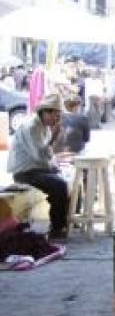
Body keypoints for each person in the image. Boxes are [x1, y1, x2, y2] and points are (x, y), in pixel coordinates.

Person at [7, 94, 69, 240]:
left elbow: (47, 158)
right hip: (25, 173)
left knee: (68, 177)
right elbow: (39, 156)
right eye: (56, 116)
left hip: (38, 169)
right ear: (46, 112)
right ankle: (58, 227)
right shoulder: (31, 127)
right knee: (59, 184)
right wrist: (53, 139)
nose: (57, 120)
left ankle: (66, 218)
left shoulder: (44, 127)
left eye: (59, 117)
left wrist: (56, 162)